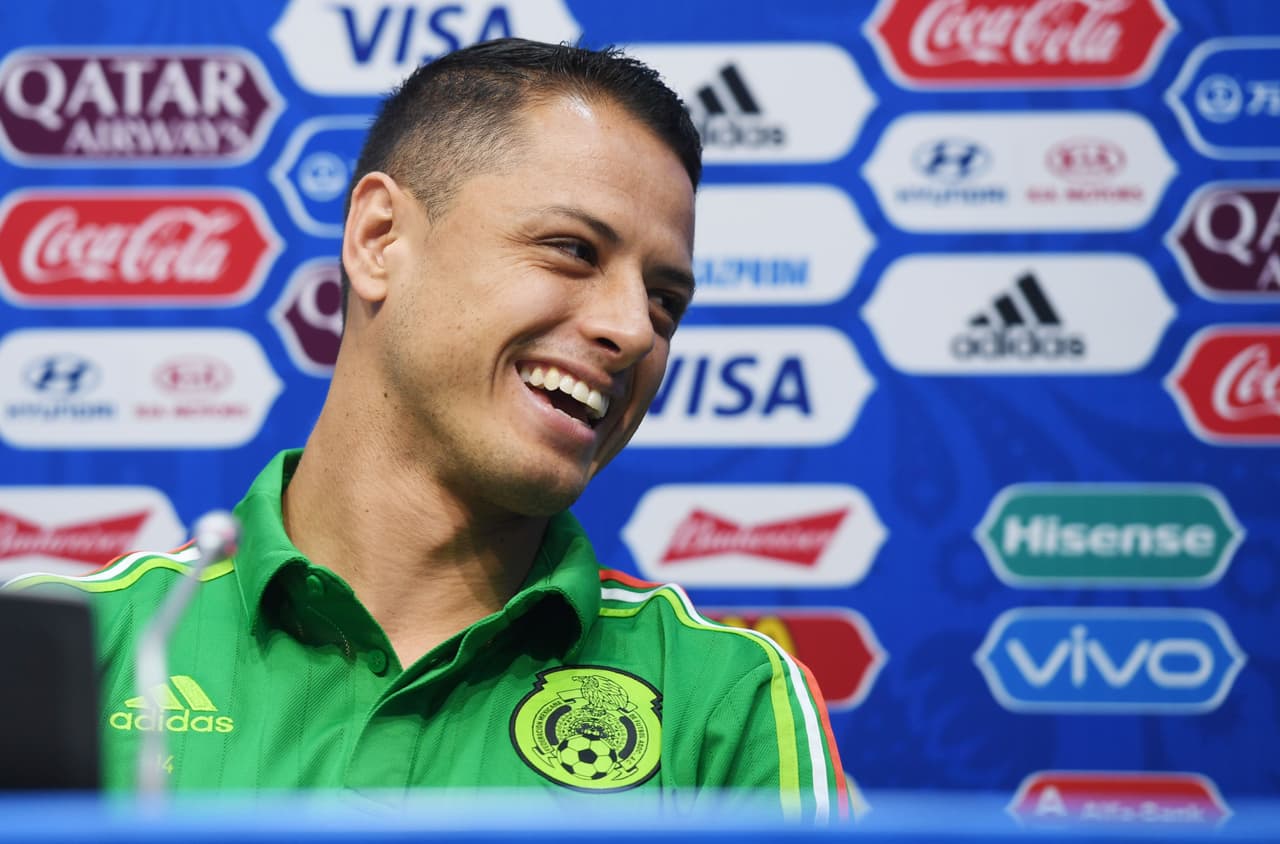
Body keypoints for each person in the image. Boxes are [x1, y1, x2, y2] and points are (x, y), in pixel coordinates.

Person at [7, 38, 848, 821]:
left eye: (666, 300)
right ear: (378, 239)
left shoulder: (727, 697)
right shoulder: (66, 652)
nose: (634, 329)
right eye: (573, 250)